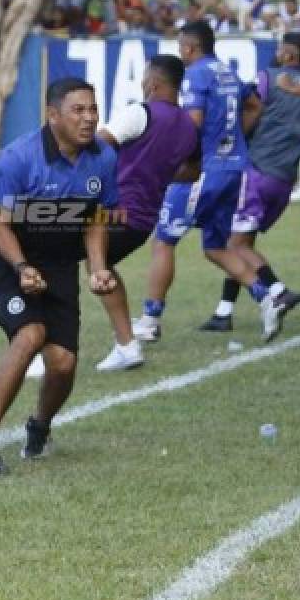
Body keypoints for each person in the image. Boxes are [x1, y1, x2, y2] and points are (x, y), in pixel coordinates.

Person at [0, 78, 119, 475]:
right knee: (30, 334)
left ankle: (40, 427)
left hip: (61, 260)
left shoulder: (103, 158)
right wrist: (21, 268)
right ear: (52, 116)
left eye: (92, 110)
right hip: (14, 255)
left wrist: (97, 268)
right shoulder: (18, 158)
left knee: (63, 363)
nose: (88, 118)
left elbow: (97, 217)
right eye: (78, 111)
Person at [132, 21, 261, 341]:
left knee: (163, 239)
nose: (180, 54)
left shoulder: (196, 75)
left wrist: (176, 158)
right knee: (216, 246)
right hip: (233, 168)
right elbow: (255, 104)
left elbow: (193, 124)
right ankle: (269, 296)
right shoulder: (227, 72)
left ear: (189, 48)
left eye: (180, 48)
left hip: (204, 171)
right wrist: (233, 139)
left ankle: (149, 320)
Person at [202, 32, 300, 339]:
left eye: (280, 50)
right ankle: (224, 311)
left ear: (290, 55)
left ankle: (277, 291)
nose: (276, 54)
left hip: (255, 172)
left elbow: (250, 107)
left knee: (232, 245)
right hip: (283, 182)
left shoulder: (268, 77)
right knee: (242, 243)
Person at [91, 56, 199, 372]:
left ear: (153, 83)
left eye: (143, 78)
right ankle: (126, 344)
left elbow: (97, 146)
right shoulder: (189, 126)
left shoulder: (141, 112)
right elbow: (192, 172)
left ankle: (48, 349)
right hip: (143, 220)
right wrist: (156, 174)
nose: (141, 84)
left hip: (114, 210)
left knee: (55, 257)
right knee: (98, 263)